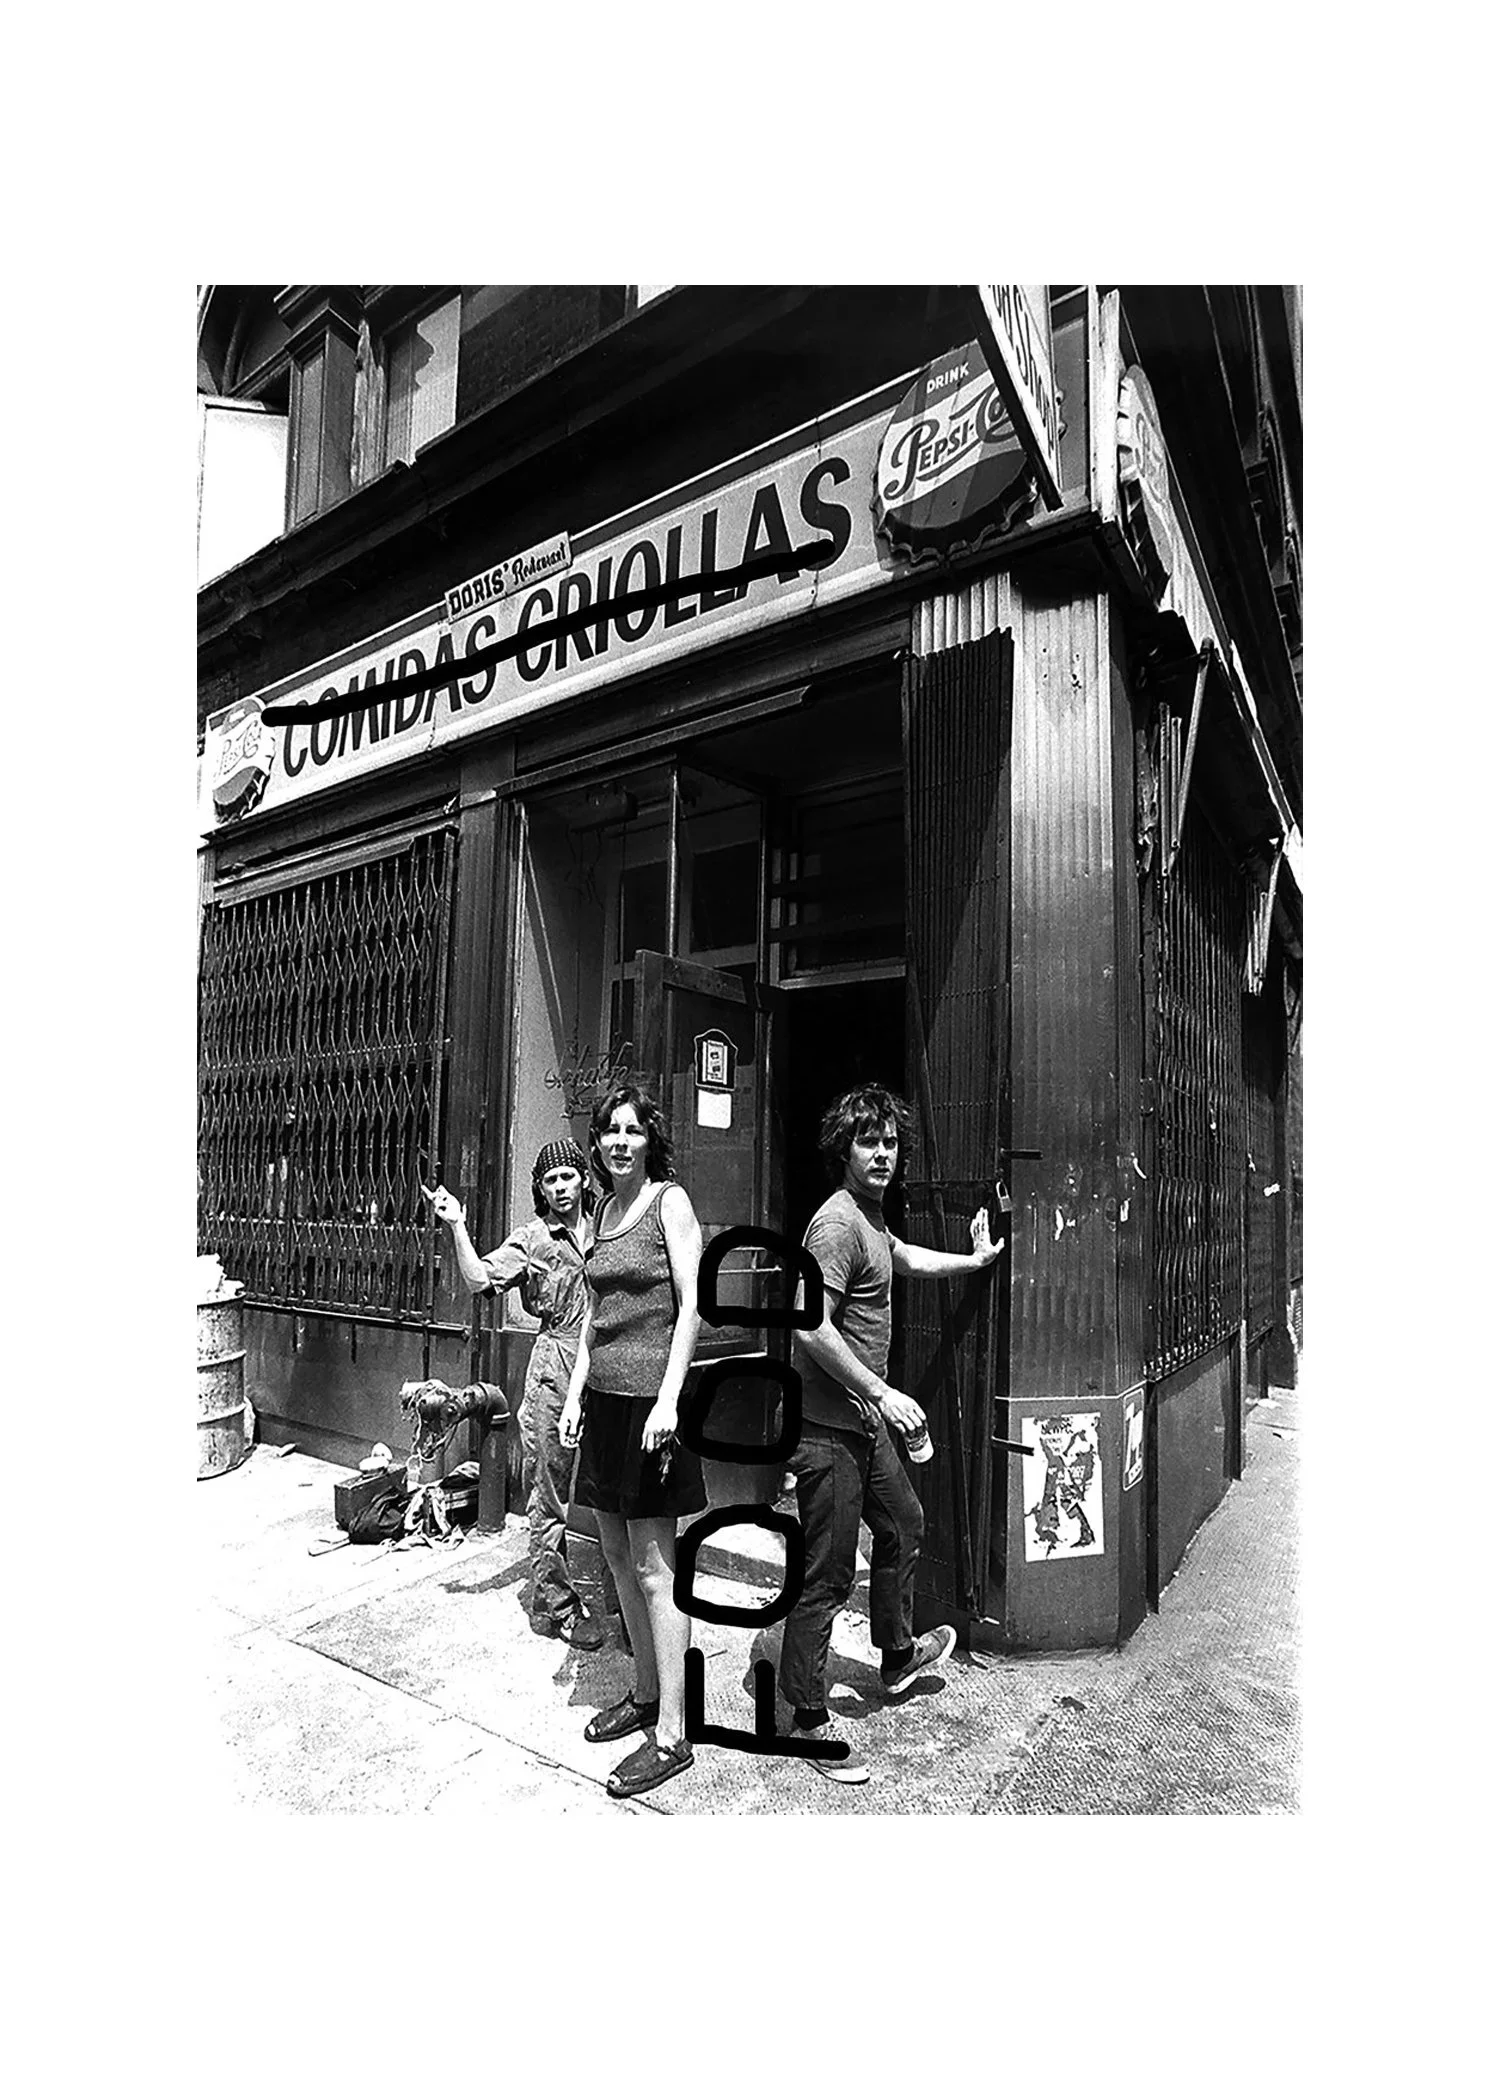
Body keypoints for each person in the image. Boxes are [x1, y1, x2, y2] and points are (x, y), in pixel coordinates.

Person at [780, 1084, 1002, 1784]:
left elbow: (902, 1257)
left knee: (903, 1523)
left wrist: (973, 1262)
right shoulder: (836, 1225)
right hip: (827, 1429)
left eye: (891, 1142)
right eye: (868, 1142)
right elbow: (808, 1324)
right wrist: (881, 1391)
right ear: (842, 1150)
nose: (882, 1154)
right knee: (827, 1576)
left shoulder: (871, 1220)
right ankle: (806, 1717)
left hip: (861, 1422)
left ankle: (897, 1657)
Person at [558, 1083, 706, 1801]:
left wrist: (670, 1399)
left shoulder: (667, 1203)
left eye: (632, 1130)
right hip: (607, 1408)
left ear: (650, 1140)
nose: (619, 1141)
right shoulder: (603, 1212)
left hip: (652, 1410)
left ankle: (674, 1733)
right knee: (615, 1555)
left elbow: (692, 1308)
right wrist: (576, 1394)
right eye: (609, 1131)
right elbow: (595, 1316)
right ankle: (646, 1693)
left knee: (654, 1570)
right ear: (598, 1142)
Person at [423, 1140, 604, 1650]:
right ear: (540, 1188)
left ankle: (624, 1600)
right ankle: (558, 1604)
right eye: (551, 1180)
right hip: (555, 1366)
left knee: (613, 1487)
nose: (561, 1187)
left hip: (606, 1363)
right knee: (549, 1492)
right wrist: (457, 1224)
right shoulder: (533, 1238)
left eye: (568, 1176)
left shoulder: (608, 1224)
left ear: (584, 1179)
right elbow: (479, 1279)